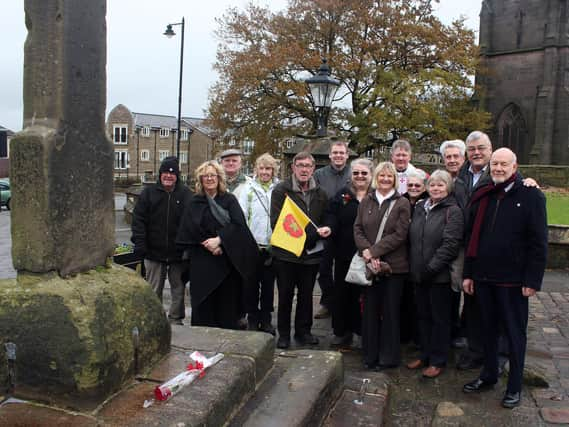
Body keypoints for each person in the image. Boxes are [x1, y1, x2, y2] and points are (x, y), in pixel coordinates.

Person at [462, 148, 547, 409]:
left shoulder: (531, 195)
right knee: (487, 330)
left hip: (512, 281)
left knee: (514, 335)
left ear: (515, 165)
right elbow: (471, 239)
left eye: (504, 164)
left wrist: (532, 281)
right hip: (484, 277)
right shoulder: (486, 194)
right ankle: (488, 375)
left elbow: (538, 242)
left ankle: (514, 387)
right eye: (495, 164)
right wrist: (468, 273)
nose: (498, 168)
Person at [176, 160, 258, 329]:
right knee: (203, 307)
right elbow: (188, 228)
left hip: (226, 261)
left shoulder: (229, 200)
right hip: (202, 262)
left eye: (212, 175)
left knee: (226, 306)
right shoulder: (194, 202)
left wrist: (220, 240)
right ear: (200, 179)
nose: (209, 179)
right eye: (205, 176)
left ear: (219, 178)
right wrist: (208, 244)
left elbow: (239, 225)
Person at [406, 170, 463, 378]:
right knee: (422, 316)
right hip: (418, 274)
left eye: (441, 185)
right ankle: (425, 353)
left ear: (448, 188)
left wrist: (431, 268)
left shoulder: (453, 211)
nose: (436, 188)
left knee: (440, 319)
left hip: (439, 276)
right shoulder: (421, 207)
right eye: (432, 185)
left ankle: (438, 360)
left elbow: (450, 245)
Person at [354, 161, 411, 370]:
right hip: (370, 264)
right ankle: (370, 355)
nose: (385, 179)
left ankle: (388, 357)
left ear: (394, 179)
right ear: (376, 178)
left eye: (390, 176)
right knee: (369, 311)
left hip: (393, 267)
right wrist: (368, 254)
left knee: (389, 312)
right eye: (382, 176)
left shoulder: (402, 203)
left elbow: (400, 234)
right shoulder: (366, 201)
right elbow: (357, 228)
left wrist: (374, 251)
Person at [270, 152, 330, 349]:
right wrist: (309, 236)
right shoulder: (281, 191)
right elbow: (277, 222)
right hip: (286, 254)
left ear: (313, 169)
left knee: (306, 296)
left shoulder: (321, 193)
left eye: (308, 166)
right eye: (300, 165)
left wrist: (325, 229)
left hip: (311, 256)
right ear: (293, 168)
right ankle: (284, 334)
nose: (304, 169)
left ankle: (304, 332)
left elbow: (325, 219)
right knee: (285, 295)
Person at [131, 156, 192, 325]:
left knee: (178, 289)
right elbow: (138, 220)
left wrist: (186, 247)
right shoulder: (148, 193)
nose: (168, 176)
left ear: (177, 176)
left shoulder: (186, 194)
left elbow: (190, 223)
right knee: (152, 288)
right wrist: (140, 243)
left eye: (172, 173)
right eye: (165, 172)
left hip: (177, 253)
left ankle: (176, 320)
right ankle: (154, 319)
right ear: (160, 174)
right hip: (153, 251)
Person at [324, 158, 374, 347]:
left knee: (365, 296)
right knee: (343, 294)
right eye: (356, 173)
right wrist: (329, 227)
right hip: (344, 253)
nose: (360, 176)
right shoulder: (342, 195)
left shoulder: (377, 195)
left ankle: (363, 332)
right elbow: (331, 215)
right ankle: (342, 331)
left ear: (370, 174)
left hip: (369, 254)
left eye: (364, 173)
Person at [238, 153, 279, 335]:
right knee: (251, 285)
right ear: (256, 169)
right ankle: (253, 318)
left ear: (273, 170)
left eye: (268, 168)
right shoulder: (247, 189)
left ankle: (266, 319)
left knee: (269, 286)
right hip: (252, 245)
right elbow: (241, 217)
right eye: (261, 168)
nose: (264, 172)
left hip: (273, 246)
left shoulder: (279, 189)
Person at [313, 140, 352, 319]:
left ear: (347, 155)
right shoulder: (320, 174)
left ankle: (344, 301)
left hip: (347, 227)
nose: (338, 156)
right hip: (325, 225)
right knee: (324, 267)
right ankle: (327, 302)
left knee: (345, 267)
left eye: (341, 153)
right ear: (330, 155)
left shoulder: (354, 173)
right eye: (335, 153)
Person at [400, 168, 428, 345]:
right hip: (403, 255)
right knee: (404, 298)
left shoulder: (427, 201)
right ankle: (405, 333)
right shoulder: (401, 200)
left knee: (420, 301)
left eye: (417, 185)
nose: (414, 187)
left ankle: (419, 337)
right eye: (410, 185)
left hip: (420, 256)